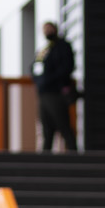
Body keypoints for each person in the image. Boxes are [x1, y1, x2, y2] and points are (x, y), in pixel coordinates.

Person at [33, 21, 78, 153]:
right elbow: (35, 67)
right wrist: (39, 81)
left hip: (56, 92)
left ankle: (73, 153)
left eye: (49, 28)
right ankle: (45, 156)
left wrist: (49, 80)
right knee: (46, 128)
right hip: (43, 93)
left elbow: (67, 67)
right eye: (44, 29)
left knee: (63, 124)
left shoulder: (63, 46)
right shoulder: (44, 50)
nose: (47, 31)